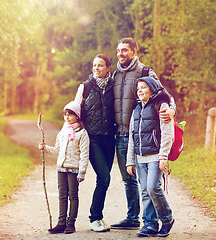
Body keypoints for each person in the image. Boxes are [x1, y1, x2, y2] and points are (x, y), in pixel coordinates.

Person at [111, 37, 176, 230]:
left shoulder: (145, 72)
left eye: (124, 50)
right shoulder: (115, 74)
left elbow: (165, 95)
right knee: (128, 180)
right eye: (118, 50)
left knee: (150, 186)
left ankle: (151, 222)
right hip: (124, 136)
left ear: (133, 51)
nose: (120, 54)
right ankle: (133, 218)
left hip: (147, 138)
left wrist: (171, 110)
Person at [126, 76, 175, 237]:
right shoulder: (136, 109)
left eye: (144, 87)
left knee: (154, 187)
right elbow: (132, 136)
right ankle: (150, 224)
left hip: (155, 156)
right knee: (146, 191)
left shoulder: (161, 105)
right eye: (138, 88)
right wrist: (130, 161)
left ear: (152, 89)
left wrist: (163, 156)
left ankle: (167, 219)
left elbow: (168, 133)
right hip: (140, 157)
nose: (140, 90)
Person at [74, 54, 116, 232]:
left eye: (100, 65)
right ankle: (95, 218)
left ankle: (98, 216)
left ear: (108, 68)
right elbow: (74, 111)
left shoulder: (115, 86)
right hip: (93, 140)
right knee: (105, 177)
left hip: (110, 139)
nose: (96, 68)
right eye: (94, 65)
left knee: (103, 180)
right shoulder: (85, 87)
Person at [38, 101, 89, 235]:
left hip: (74, 170)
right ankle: (61, 223)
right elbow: (57, 150)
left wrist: (82, 172)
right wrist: (45, 148)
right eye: (65, 115)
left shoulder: (82, 133)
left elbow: (85, 154)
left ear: (77, 116)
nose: (67, 117)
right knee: (62, 196)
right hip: (61, 168)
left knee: (73, 195)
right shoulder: (63, 132)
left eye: (70, 115)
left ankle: (71, 223)